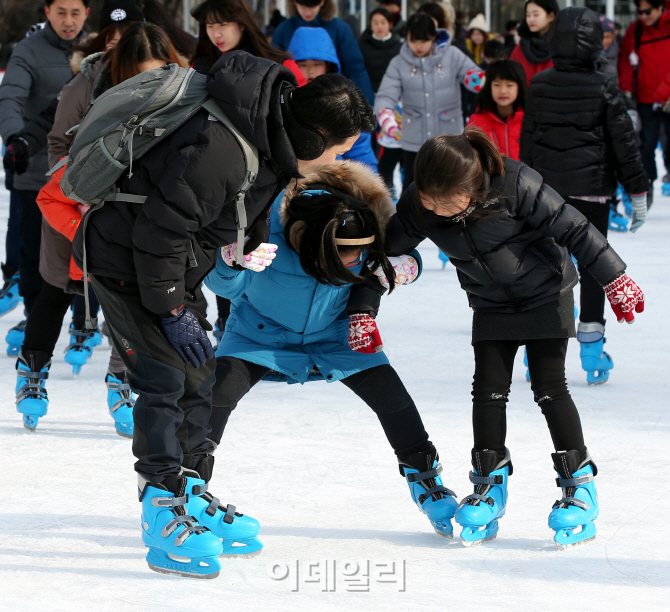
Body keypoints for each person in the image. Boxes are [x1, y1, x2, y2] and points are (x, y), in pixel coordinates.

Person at [70, 65, 380, 578]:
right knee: (163, 378)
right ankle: (160, 506)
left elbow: (239, 200)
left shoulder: (268, 135)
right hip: (125, 259)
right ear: (313, 136)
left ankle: (189, 492)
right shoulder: (223, 147)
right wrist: (171, 310)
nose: (337, 160)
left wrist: (247, 241)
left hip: (173, 264)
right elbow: (161, 230)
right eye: (337, 149)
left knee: (198, 377)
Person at [385, 125, 645, 548]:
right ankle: (489, 484)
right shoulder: (423, 202)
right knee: (486, 390)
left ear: (470, 185)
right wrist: (381, 261)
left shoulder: (515, 181)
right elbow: (392, 241)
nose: (437, 210)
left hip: (547, 292)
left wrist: (614, 277)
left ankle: (578, 487)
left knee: (549, 388)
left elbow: (574, 226)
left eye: (447, 202)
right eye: (429, 201)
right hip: (490, 302)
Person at [205, 159, 459, 542]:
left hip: (338, 334)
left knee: (393, 398)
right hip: (261, 332)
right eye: (342, 253)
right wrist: (230, 261)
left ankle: (425, 476)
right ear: (309, 239)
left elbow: (404, 252)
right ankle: (186, 483)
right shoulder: (265, 227)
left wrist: (407, 265)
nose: (352, 262)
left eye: (358, 253)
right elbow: (226, 287)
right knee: (216, 394)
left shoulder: (367, 221)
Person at [14, 22, 187, 434]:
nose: (146, 79)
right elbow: (58, 143)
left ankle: (122, 381)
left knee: (128, 300)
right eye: (137, 70)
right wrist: (80, 182)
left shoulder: (178, 90)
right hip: (74, 202)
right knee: (55, 292)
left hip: (135, 211)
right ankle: (33, 371)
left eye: (156, 70)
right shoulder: (87, 85)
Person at [520, 7, 648, 387]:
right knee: (593, 267)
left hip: (546, 196)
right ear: (595, 43)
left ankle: (538, 350)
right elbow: (623, 143)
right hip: (592, 194)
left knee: (547, 270)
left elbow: (528, 142)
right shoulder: (604, 85)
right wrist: (637, 189)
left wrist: (520, 189)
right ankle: (591, 344)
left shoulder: (539, 84)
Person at [0, 0, 90, 347]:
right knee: (36, 257)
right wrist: (13, 140)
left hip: (84, 179)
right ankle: (32, 316)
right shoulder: (29, 51)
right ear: (47, 11)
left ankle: (85, 321)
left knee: (89, 252)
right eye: (61, 12)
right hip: (36, 173)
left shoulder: (95, 51)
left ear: (86, 13)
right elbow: (9, 98)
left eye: (76, 12)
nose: (69, 21)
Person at [374, 13, 484, 193]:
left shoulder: (452, 55)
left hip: (450, 137)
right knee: (414, 188)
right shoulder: (399, 62)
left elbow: (472, 74)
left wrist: (476, 79)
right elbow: (387, 94)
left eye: (423, 40)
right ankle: (410, 221)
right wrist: (386, 114)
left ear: (433, 37)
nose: (418, 46)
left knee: (452, 187)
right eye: (413, 40)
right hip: (414, 139)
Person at [288, 26, 378, 170]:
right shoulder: (285, 101)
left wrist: (370, 188)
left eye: (317, 64)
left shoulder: (343, 100)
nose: (310, 70)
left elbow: (362, 154)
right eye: (303, 65)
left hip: (337, 178)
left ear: (328, 65)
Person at [271, 0, 375, 103]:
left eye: (312, 7)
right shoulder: (283, 30)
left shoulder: (339, 28)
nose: (308, 12)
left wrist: (365, 104)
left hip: (333, 95)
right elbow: (274, 68)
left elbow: (355, 67)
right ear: (294, 3)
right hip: (294, 96)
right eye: (303, 7)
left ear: (322, 2)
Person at [619, 0, 670, 201]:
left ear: (660, 8)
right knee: (646, 144)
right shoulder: (636, 30)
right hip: (646, 97)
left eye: (648, 11)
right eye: (639, 12)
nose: (643, 16)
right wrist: (626, 88)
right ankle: (646, 184)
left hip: (668, 95)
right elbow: (625, 59)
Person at [467, 60, 526, 161]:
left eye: (509, 85)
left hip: (526, 176)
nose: (503, 91)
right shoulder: (476, 122)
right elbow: (469, 158)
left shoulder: (529, 119)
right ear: (489, 88)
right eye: (497, 85)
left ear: (519, 88)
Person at [511, 0, 557, 85]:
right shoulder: (521, 48)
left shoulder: (562, 47)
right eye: (528, 15)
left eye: (536, 15)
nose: (531, 19)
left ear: (551, 16)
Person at [358, 8, 402, 94]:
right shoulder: (362, 46)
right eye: (375, 23)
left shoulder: (399, 47)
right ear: (371, 26)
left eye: (383, 22)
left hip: (395, 93)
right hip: (369, 93)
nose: (379, 26)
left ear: (390, 24)